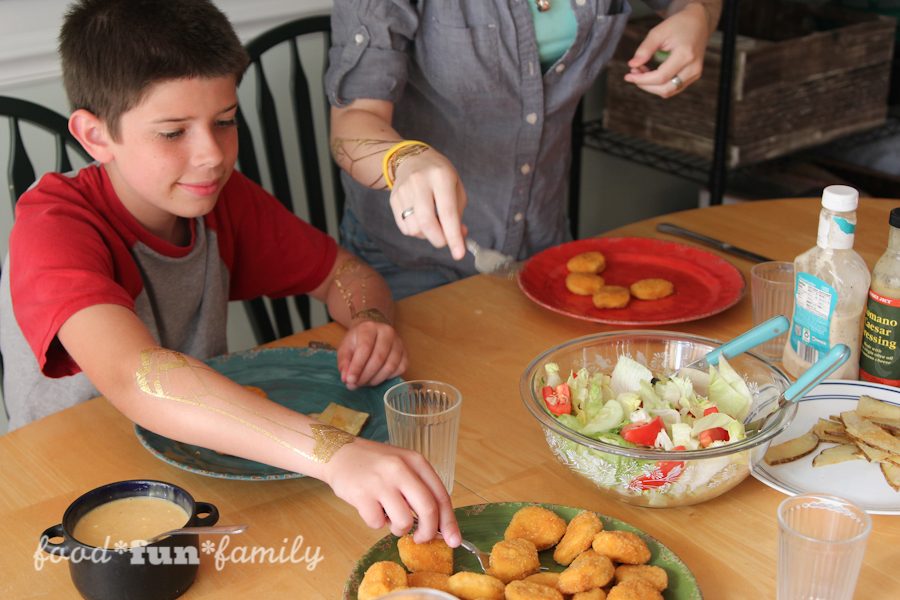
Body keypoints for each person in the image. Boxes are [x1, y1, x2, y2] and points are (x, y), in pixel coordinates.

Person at [0, 0, 458, 546]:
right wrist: (335, 453)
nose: (212, 156)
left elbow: (343, 273)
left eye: (224, 122)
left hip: (200, 464)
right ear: (95, 136)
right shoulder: (52, 222)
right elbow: (137, 376)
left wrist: (371, 319)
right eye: (173, 133)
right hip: (66, 487)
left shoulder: (221, 199)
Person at [327, 1, 722, 299]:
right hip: (408, 265)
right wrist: (401, 160)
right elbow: (351, 122)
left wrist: (697, 13)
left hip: (544, 245)